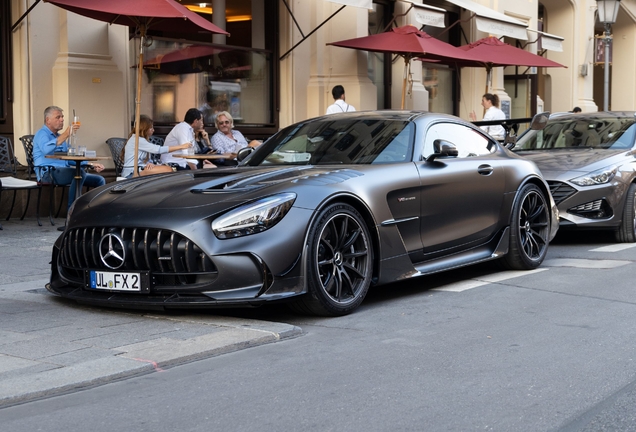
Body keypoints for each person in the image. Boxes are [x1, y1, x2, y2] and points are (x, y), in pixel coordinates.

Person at [33, 106, 106, 214]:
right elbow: (46, 150)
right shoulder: (41, 134)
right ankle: (72, 213)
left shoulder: (59, 137)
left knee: (99, 180)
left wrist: (90, 164)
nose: (62, 119)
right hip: (47, 172)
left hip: (63, 171)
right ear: (48, 120)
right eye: (58, 117)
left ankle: (97, 213)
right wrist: (66, 134)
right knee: (79, 174)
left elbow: (69, 159)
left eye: (62, 117)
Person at [121, 115, 192, 178]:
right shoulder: (137, 140)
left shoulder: (141, 139)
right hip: (132, 172)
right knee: (168, 169)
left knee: (167, 169)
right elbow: (158, 150)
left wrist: (149, 163)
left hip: (140, 168)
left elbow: (142, 158)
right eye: (151, 128)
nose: (153, 130)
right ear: (144, 128)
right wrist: (181, 146)